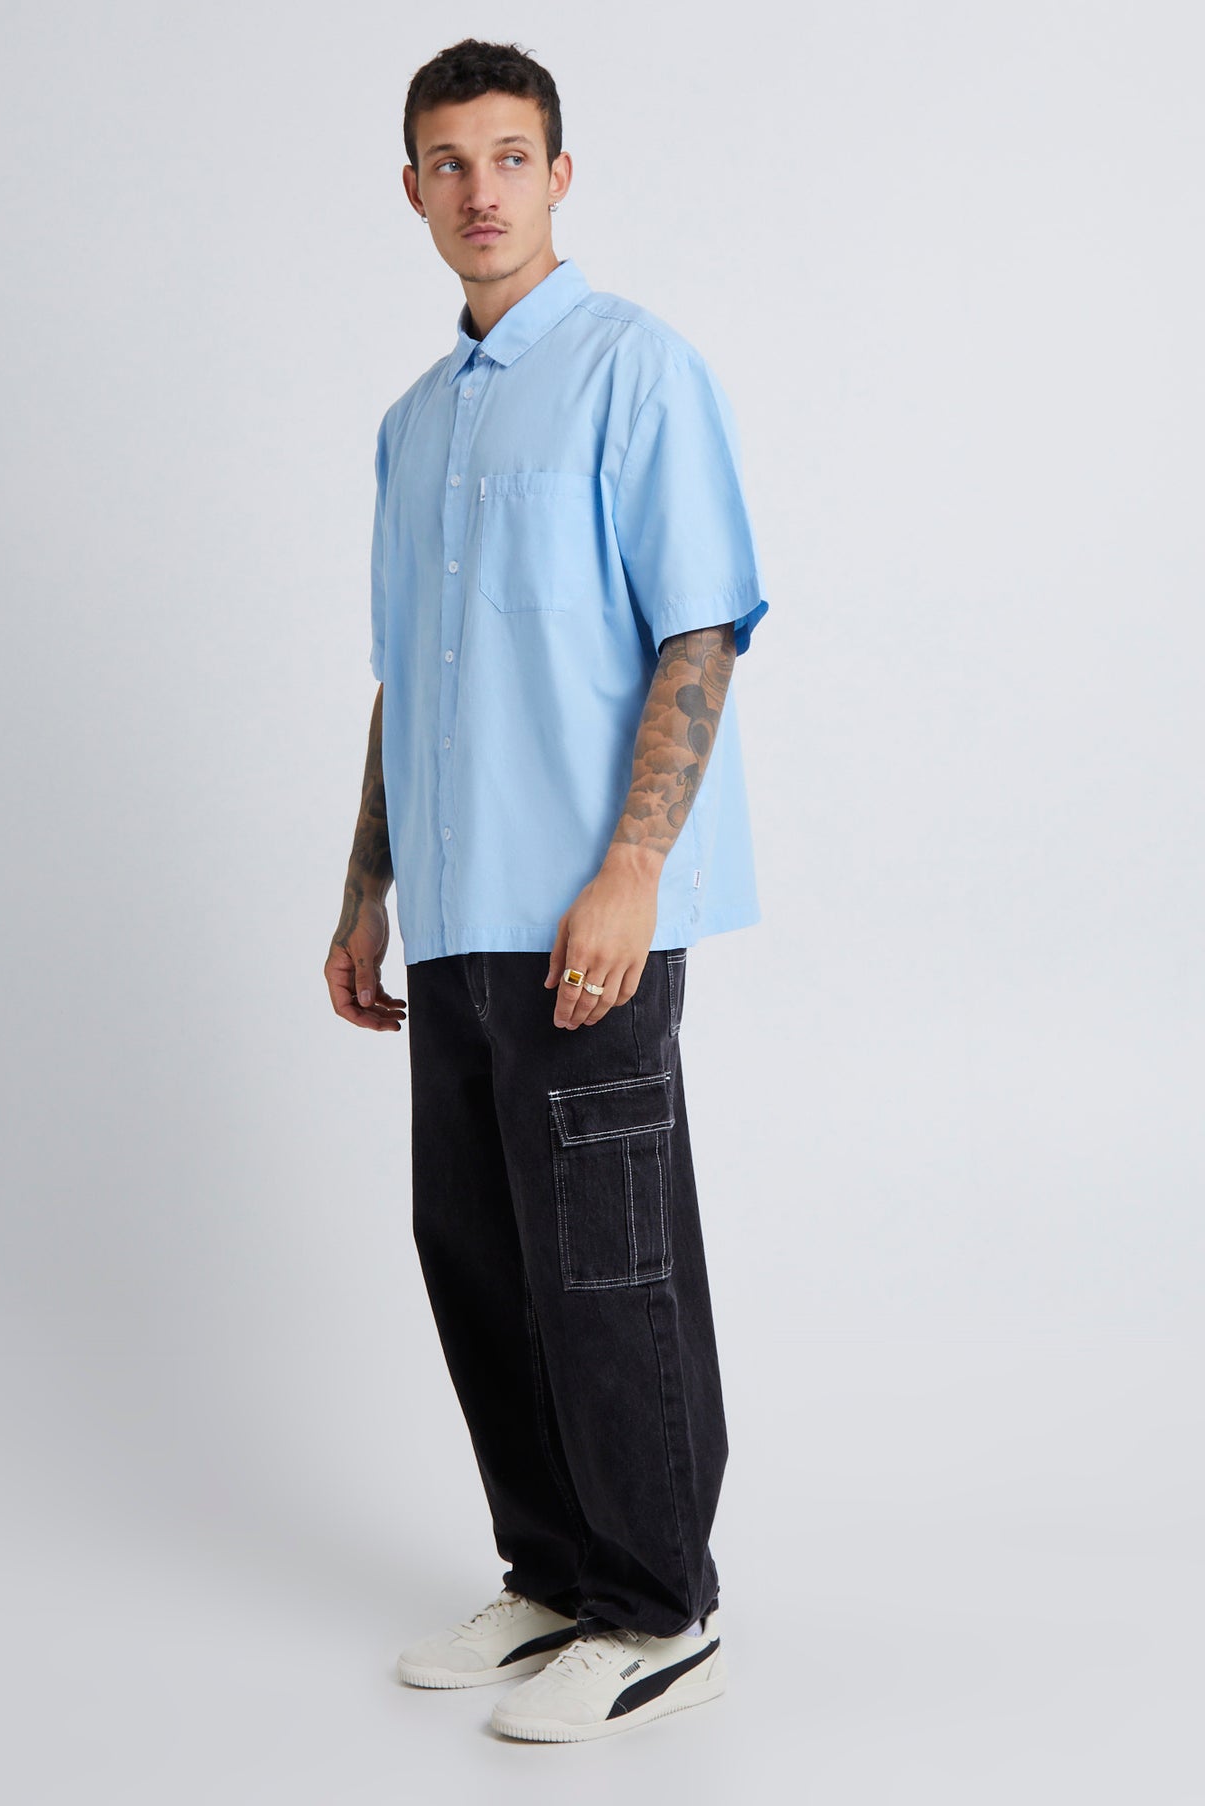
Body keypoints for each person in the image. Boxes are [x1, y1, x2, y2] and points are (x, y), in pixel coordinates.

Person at [324, 37, 770, 1744]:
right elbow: (403, 675)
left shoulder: (634, 369)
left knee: (604, 1261)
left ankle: (660, 1606)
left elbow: (699, 627)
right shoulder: (410, 425)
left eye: (509, 156)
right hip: (454, 917)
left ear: (558, 175)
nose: (480, 190)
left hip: (588, 912)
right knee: (479, 1254)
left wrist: (632, 870)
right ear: (412, 189)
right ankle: (558, 1570)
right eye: (448, 162)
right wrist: (364, 892)